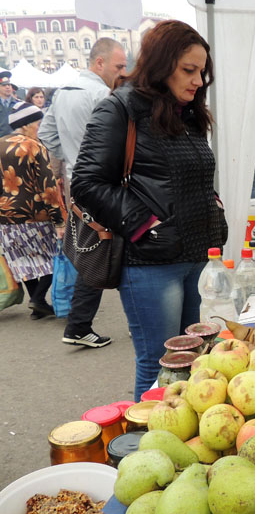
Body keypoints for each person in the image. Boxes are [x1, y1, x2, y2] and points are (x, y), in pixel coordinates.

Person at [70, 20, 228, 401]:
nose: (197, 81)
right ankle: (149, 444)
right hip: (150, 264)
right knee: (159, 363)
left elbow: (192, 176)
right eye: (188, 70)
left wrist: (214, 207)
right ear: (160, 65)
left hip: (197, 258)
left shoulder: (187, 113)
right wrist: (144, 225)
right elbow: (86, 183)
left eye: (202, 72)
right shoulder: (120, 109)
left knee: (195, 359)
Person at [39, 37, 128, 349]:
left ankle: (79, 325)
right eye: (119, 66)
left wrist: (73, 157)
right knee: (112, 250)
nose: (123, 71)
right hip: (106, 184)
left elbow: (45, 134)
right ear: (99, 63)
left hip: (78, 183)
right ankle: (80, 325)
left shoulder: (62, 92)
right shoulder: (104, 94)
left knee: (99, 250)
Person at [0, 102, 65, 318]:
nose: (39, 126)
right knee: (52, 258)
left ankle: (38, 305)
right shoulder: (34, 146)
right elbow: (48, 187)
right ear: (27, 124)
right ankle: (38, 299)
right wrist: (58, 219)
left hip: (5, 216)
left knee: (22, 260)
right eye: (37, 122)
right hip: (35, 214)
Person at [0, 71, 21, 137]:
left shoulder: (19, 104)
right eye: (4, 85)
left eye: (9, 85)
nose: (7, 87)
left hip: (15, 141)